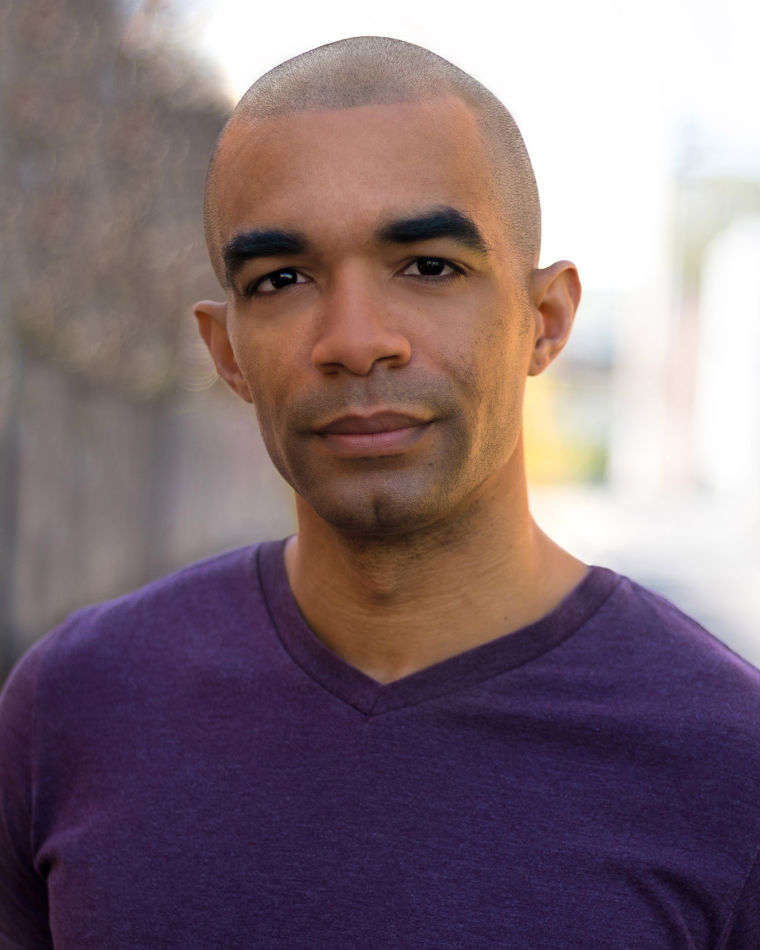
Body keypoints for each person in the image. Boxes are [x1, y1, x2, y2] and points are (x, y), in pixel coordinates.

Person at [1, 36, 759, 949]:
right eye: (281, 279)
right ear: (226, 351)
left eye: (429, 266)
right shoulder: (73, 708)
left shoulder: (728, 761)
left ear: (546, 321)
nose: (356, 341)